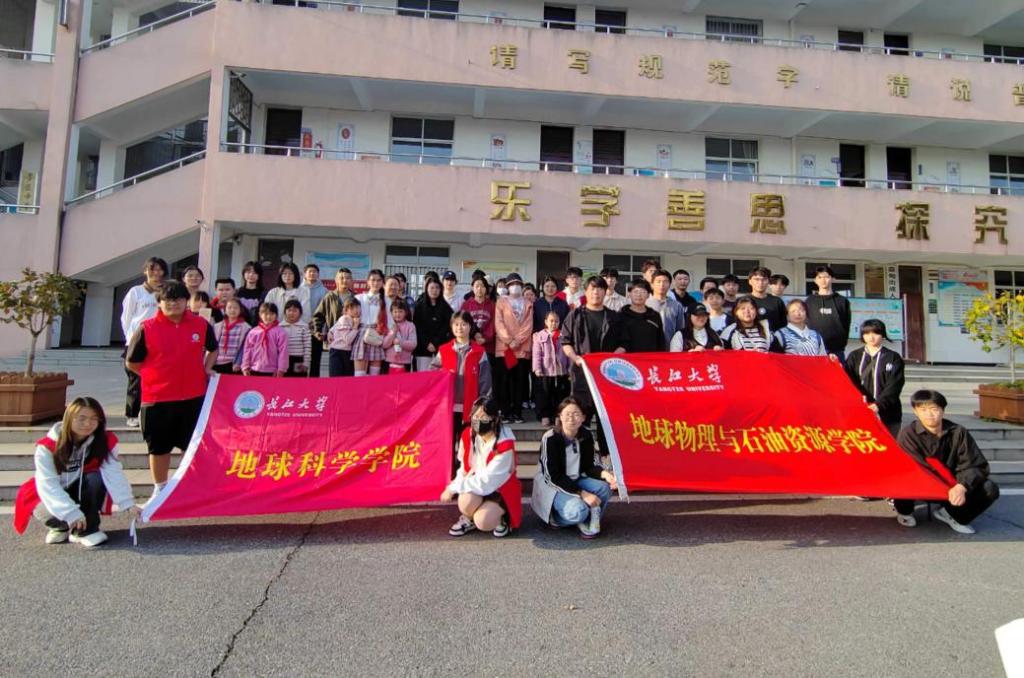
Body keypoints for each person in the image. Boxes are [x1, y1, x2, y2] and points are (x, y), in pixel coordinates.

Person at [125, 281, 217, 505]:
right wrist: (154, 376)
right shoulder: (147, 328)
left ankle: (188, 485)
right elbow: (132, 362)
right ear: (159, 302)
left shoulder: (200, 324)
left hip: (193, 397)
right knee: (159, 447)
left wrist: (206, 368)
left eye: (178, 299)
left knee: (191, 446)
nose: (173, 304)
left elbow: (213, 349)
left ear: (186, 301)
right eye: (168, 300)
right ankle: (160, 488)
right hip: (157, 399)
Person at [14, 398, 137, 548]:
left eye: (94, 419)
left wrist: (127, 503)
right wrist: (70, 513)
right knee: (45, 511)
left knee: (96, 478)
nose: (87, 424)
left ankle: (86, 530)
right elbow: (48, 484)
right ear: (69, 418)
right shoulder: (47, 447)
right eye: (82, 418)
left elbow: (114, 472)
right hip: (48, 490)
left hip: (81, 486)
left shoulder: (103, 441)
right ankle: (61, 527)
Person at [894, 390, 1000, 534]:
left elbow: (975, 464)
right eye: (923, 410)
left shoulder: (958, 432)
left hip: (953, 482)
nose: (929, 414)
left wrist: (962, 485)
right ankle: (904, 512)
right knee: (901, 476)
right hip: (922, 480)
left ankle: (952, 515)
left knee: (990, 488)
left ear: (942, 410)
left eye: (934, 409)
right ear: (915, 412)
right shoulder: (908, 434)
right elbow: (913, 466)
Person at [531, 397, 618, 539]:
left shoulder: (586, 434)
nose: (571, 418)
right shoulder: (551, 438)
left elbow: (589, 466)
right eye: (567, 414)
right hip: (553, 485)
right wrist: (583, 494)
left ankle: (589, 520)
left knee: (604, 488)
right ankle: (557, 519)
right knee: (578, 511)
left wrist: (606, 474)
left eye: (576, 414)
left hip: (577, 478)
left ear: (583, 417)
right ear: (560, 416)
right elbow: (552, 477)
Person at [441, 398, 522, 538]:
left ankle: (503, 519)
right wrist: (455, 483)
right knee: (465, 502)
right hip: (478, 483)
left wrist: (453, 488)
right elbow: (464, 468)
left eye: (484, 417)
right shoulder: (468, 435)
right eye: (475, 416)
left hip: (500, 490)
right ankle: (468, 519)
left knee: (483, 521)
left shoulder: (504, 445)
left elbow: (487, 480)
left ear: (494, 419)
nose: (478, 421)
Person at [561, 276, 620, 456]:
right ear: (585, 292)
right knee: (581, 415)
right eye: (592, 289)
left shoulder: (613, 317)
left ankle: (608, 458)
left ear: (605, 292)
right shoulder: (575, 315)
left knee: (607, 419)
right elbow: (566, 342)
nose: (596, 292)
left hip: (607, 376)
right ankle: (580, 456)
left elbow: (623, 344)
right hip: (582, 375)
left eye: (600, 289)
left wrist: (611, 359)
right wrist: (576, 358)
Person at [432, 311, 493, 471]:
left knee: (467, 444)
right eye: (456, 324)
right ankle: (448, 473)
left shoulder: (479, 351)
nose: (460, 328)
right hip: (448, 407)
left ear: (470, 327)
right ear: (451, 326)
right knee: (447, 442)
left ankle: (466, 472)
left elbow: (485, 381)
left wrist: (482, 405)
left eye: (464, 324)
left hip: (471, 408)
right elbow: (433, 375)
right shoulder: (444, 350)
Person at [120, 256, 167, 429]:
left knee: (157, 378)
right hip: (137, 340)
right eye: (152, 269)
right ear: (145, 271)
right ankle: (132, 414)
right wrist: (130, 339)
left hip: (159, 341)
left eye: (159, 269)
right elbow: (126, 318)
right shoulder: (136, 292)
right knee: (135, 378)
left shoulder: (165, 291)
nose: (156, 273)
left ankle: (152, 411)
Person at [845, 319, 905, 437]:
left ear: (882, 334)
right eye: (867, 333)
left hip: (888, 414)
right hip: (861, 411)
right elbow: (848, 381)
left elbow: (895, 385)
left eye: (876, 333)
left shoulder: (893, 357)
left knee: (887, 445)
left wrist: (879, 405)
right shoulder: (854, 356)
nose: (871, 337)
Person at [494, 273, 533, 423]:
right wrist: (509, 340)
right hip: (505, 349)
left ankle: (517, 412)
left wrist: (518, 340)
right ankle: (505, 412)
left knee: (519, 382)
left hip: (521, 349)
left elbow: (528, 325)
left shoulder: (528, 303)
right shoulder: (501, 302)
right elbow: (499, 323)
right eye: (512, 284)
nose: (515, 286)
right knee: (504, 381)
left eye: (518, 284)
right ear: (508, 287)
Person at [806, 265, 853, 361]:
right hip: (813, 350)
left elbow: (846, 324)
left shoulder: (842, 301)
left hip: (836, 351)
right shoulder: (809, 301)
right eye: (820, 277)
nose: (823, 280)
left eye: (826, 277)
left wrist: (841, 343)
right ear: (815, 280)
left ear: (832, 279)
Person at [313, 267, 355, 374]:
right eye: (341, 278)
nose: (344, 280)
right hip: (335, 343)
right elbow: (318, 316)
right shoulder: (329, 297)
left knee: (349, 377)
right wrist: (318, 331)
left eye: (348, 278)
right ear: (336, 280)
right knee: (335, 375)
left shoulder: (355, 298)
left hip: (351, 344)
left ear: (351, 280)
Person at [532, 311, 570, 427]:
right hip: (546, 370)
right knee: (544, 394)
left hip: (560, 371)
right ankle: (545, 415)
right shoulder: (539, 336)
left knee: (560, 394)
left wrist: (570, 369)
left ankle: (558, 415)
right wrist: (537, 368)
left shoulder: (563, 335)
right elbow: (537, 354)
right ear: (546, 322)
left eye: (556, 321)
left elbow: (568, 354)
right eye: (551, 321)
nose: (554, 323)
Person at [413, 278, 452, 372]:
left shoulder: (446, 307)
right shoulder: (419, 306)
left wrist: (435, 343)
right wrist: (427, 343)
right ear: (426, 289)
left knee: (438, 376)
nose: (434, 290)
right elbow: (417, 327)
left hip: (440, 348)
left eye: (437, 288)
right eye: (432, 288)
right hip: (422, 349)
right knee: (423, 376)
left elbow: (447, 327)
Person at [354, 269, 388, 377]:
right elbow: (348, 316)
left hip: (377, 334)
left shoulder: (387, 300)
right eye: (373, 280)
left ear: (383, 282)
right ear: (368, 282)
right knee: (359, 375)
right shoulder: (358, 298)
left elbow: (391, 322)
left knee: (374, 376)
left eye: (379, 280)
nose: (375, 283)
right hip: (361, 335)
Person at [241, 302, 289, 378]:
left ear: (276, 315)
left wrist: (281, 369)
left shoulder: (281, 332)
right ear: (260, 314)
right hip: (254, 369)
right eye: (266, 314)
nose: (269, 316)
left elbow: (283, 351)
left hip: (273, 371)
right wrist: (245, 366)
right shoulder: (253, 332)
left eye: (272, 314)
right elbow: (247, 349)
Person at [618, 278, 666, 353]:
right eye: (635, 291)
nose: (639, 295)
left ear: (648, 295)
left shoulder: (655, 316)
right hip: (627, 359)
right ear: (629, 294)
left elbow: (661, 342)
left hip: (650, 358)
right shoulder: (620, 316)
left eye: (643, 292)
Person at [301, 264, 328, 377]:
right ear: (304, 274)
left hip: (317, 330)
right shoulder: (298, 289)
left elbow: (326, 312)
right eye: (310, 271)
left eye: (315, 271)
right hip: (301, 329)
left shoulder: (324, 291)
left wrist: (323, 330)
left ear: (318, 274)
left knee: (315, 358)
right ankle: (299, 382)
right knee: (301, 358)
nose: (312, 273)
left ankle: (314, 382)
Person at [647, 269, 685, 344]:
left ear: (670, 284)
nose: (662, 285)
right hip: (648, 347)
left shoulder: (676, 306)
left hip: (670, 347)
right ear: (652, 284)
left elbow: (680, 330)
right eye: (658, 281)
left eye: (665, 281)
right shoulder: (645, 304)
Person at [462, 276, 496, 359]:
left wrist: (485, 338)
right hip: (469, 346)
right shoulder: (466, 305)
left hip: (488, 348)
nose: (479, 289)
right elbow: (463, 323)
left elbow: (494, 324)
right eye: (477, 286)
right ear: (472, 288)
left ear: (486, 289)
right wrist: (474, 334)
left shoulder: (492, 305)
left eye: (482, 286)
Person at [326, 298, 362, 377]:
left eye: (357, 307)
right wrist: (355, 327)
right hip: (338, 352)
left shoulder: (356, 319)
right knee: (336, 378)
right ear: (346, 311)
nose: (356, 310)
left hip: (348, 353)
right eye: (352, 308)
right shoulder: (345, 319)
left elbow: (334, 327)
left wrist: (330, 332)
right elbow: (348, 340)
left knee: (346, 379)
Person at [213, 298, 249, 375]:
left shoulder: (246, 327)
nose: (232, 310)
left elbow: (245, 348)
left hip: (234, 364)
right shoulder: (217, 326)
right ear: (225, 310)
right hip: (217, 362)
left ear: (240, 310)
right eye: (229, 307)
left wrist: (239, 363)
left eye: (235, 308)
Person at [382, 298, 417, 374]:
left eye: (400, 311)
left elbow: (413, 344)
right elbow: (384, 344)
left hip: (405, 362)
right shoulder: (388, 325)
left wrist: (400, 342)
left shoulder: (410, 326)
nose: (398, 314)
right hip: (389, 361)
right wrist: (393, 333)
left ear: (406, 312)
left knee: (403, 381)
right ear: (391, 313)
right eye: (395, 312)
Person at [747, 267, 787, 332]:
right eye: (756, 279)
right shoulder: (743, 301)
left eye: (764, 279)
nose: (760, 283)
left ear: (768, 281)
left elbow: (783, 325)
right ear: (750, 281)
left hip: (774, 337)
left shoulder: (777, 301)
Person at [281, 299, 311, 377]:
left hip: (299, 360)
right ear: (285, 312)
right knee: (284, 381)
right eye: (289, 310)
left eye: (295, 311)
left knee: (298, 381)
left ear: (300, 313)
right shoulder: (280, 327)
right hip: (283, 360)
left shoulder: (304, 327)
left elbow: (307, 347)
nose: (291, 313)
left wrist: (306, 363)